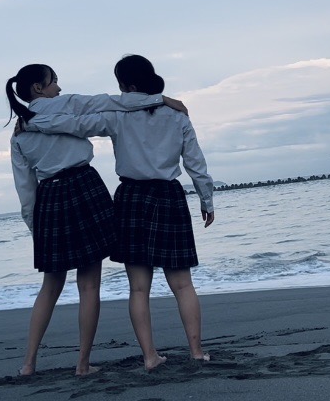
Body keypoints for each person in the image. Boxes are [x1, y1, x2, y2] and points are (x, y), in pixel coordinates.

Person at [22, 54, 216, 371]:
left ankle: (150, 356)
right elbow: (195, 162)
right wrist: (206, 200)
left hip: (132, 197)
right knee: (183, 284)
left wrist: (32, 122)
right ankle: (196, 351)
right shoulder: (177, 115)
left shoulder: (116, 116)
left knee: (138, 288)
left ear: (127, 85)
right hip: (169, 195)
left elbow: (74, 125)